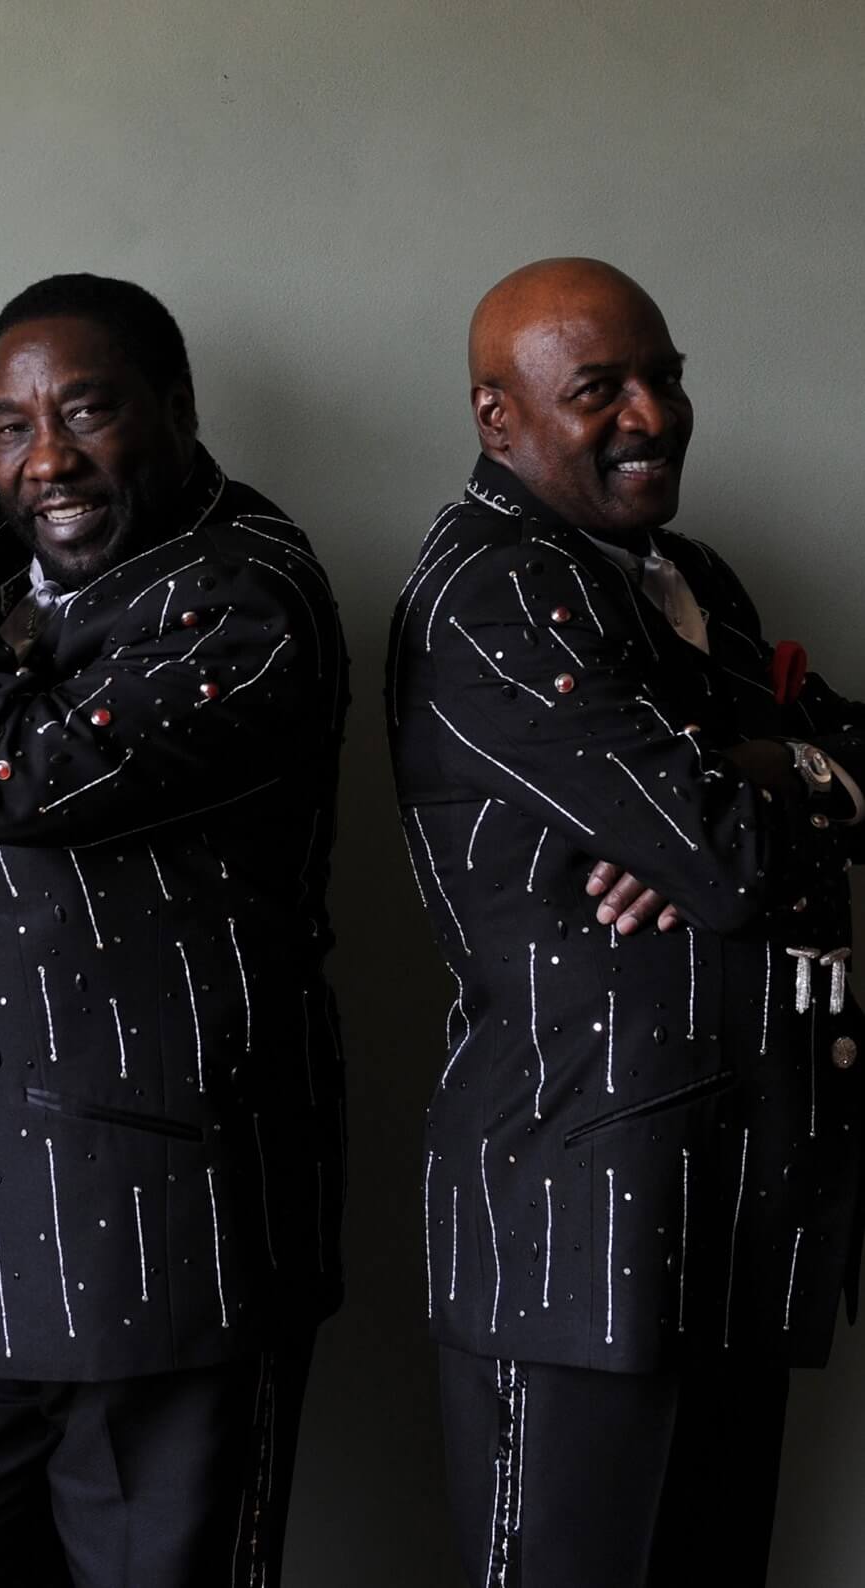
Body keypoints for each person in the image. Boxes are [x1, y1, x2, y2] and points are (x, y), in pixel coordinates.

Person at [0, 273, 349, 1587]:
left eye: (87, 412)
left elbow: (10, 772)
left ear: (178, 409)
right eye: (12, 425)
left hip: (168, 1256)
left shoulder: (252, 599)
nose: (48, 460)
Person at [386, 256, 865, 1587]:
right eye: (599, 389)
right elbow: (722, 857)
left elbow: (756, 808)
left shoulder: (687, 575)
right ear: (498, 416)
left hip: (730, 1209)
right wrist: (738, 795)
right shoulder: (493, 589)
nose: (650, 415)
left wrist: (753, 771)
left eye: (664, 377)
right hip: (583, 1237)